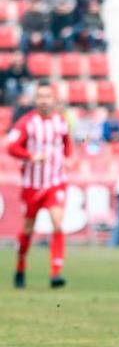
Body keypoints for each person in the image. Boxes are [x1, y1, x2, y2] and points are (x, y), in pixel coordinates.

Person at [7, 81, 72, 289]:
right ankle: (20, 266)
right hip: (32, 185)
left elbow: (67, 142)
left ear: (54, 99)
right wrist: (31, 156)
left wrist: (68, 157)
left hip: (55, 181)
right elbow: (12, 148)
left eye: (47, 96)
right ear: (36, 100)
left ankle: (56, 273)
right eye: (40, 96)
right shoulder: (26, 122)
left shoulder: (60, 121)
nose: (44, 100)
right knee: (27, 229)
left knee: (58, 222)